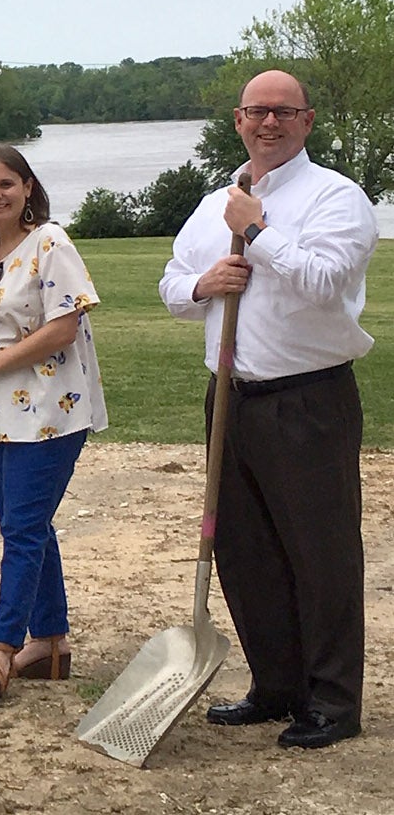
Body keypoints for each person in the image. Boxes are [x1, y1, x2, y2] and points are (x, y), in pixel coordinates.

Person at [160, 69, 375, 749]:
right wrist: (202, 282)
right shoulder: (215, 200)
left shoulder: (335, 198)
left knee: (320, 553)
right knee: (243, 549)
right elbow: (169, 281)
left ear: (306, 121)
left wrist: (255, 233)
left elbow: (322, 281)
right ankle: (275, 684)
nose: (269, 123)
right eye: (257, 112)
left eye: (283, 112)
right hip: (228, 397)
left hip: (306, 398)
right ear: (237, 120)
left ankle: (332, 701)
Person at [0, 144, 107, 698]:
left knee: (21, 529)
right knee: (28, 525)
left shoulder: (51, 242)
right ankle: (52, 642)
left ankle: (3, 647)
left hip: (50, 409)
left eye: (6, 185)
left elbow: (64, 326)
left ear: (28, 188)